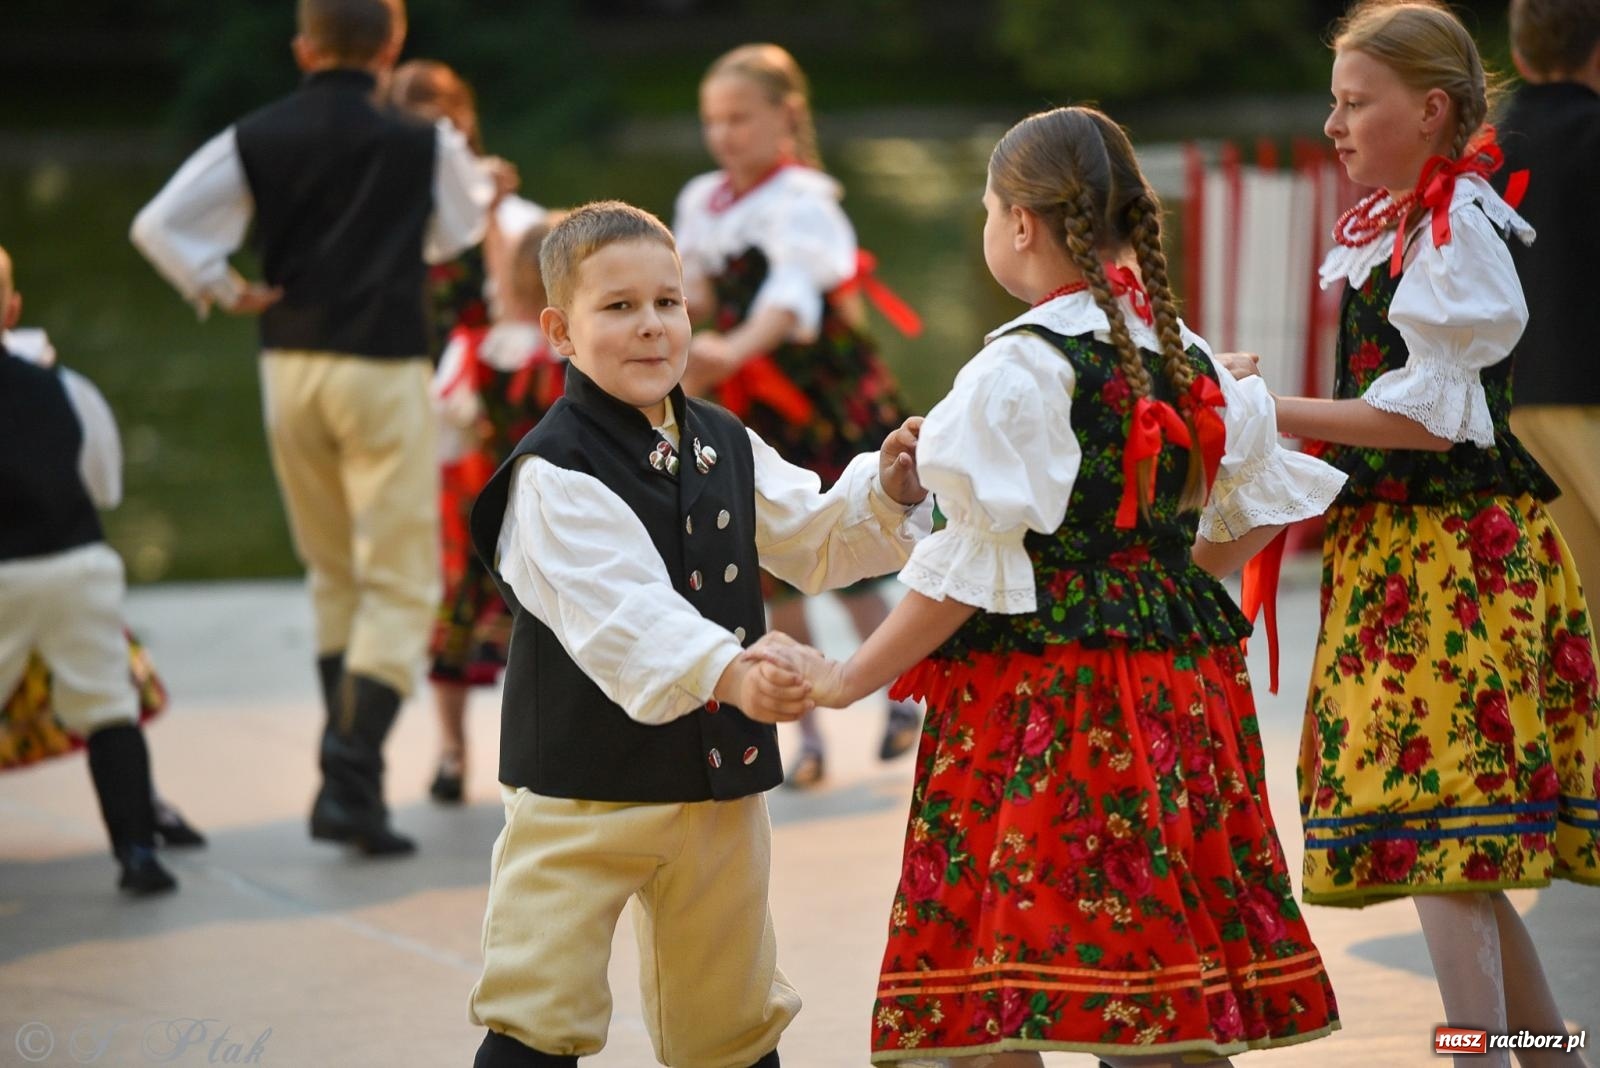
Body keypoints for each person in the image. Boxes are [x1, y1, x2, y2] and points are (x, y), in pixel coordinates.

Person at [780, 106, 1349, 1066]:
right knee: (1154, 979)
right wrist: (1158, 585)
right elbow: (1258, 511)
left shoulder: (1018, 370)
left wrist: (843, 680)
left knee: (1005, 981)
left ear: (1018, 225)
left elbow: (963, 576)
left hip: (1040, 708)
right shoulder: (1194, 358)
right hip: (1176, 698)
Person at [463, 201, 932, 1068]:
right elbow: (624, 617)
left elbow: (815, 536)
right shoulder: (551, 473)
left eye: (668, 303)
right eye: (619, 308)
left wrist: (890, 493)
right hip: (581, 790)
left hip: (716, 784)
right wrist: (732, 671)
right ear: (561, 330)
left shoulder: (723, 440)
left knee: (731, 1021)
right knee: (539, 1008)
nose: (651, 327)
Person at [1246, 3, 1598, 1064]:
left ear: (1430, 108)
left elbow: (1429, 418)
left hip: (1450, 564)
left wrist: (1271, 413)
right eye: (1335, 101)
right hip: (1403, 554)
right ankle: (1546, 1055)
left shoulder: (1456, 229)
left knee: (1437, 828)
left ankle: (1479, 1055)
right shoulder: (1399, 225)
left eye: (1356, 103)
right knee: (1450, 845)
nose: (1334, 125)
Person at [130, 0, 500, 856]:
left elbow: (158, 225)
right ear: (394, 45)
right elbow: (457, 233)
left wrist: (220, 286)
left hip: (286, 365)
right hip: (382, 362)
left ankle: (356, 797)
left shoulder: (257, 131)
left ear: (303, 49)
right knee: (404, 584)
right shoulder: (422, 139)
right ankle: (347, 770)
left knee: (333, 572)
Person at [673, 43, 923, 787]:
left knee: (842, 545)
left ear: (782, 116)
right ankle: (803, 730)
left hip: (818, 397)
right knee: (764, 562)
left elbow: (790, 299)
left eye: (739, 118)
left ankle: (904, 688)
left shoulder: (804, 201)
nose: (725, 135)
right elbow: (698, 289)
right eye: (713, 121)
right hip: (747, 401)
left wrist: (731, 350)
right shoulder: (701, 201)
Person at [0, 244, 203, 896]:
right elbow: (105, 485)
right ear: (12, 308)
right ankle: (138, 852)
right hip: (73, 564)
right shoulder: (65, 387)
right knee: (109, 709)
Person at [424, 219, 566, 803]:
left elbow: (445, 430)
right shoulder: (570, 354)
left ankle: (452, 753)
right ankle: (555, 752)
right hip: (550, 514)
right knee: (556, 633)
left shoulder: (471, 347)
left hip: (479, 510)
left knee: (458, 627)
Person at [1498, 0, 1600, 596]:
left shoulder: (1483, 154)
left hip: (1515, 403)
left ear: (1518, 54)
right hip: (1591, 394)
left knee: (1574, 609)